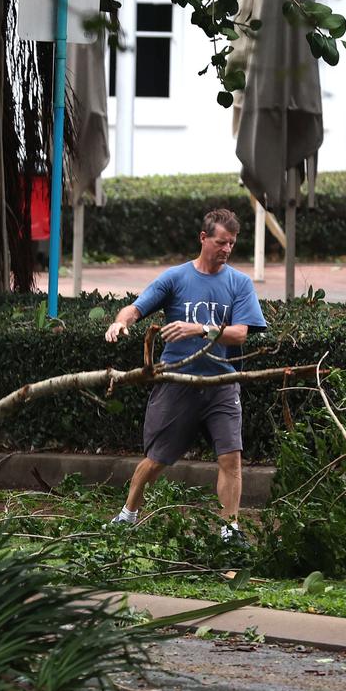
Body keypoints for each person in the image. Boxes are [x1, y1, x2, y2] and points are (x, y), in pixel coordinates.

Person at [104, 208, 267, 540]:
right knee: (156, 460)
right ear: (203, 238)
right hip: (176, 382)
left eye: (232, 244)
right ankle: (128, 514)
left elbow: (239, 334)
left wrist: (199, 329)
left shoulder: (239, 283)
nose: (226, 249)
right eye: (221, 242)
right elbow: (136, 307)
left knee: (231, 458)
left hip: (222, 383)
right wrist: (120, 322)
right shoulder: (176, 278)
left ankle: (229, 528)